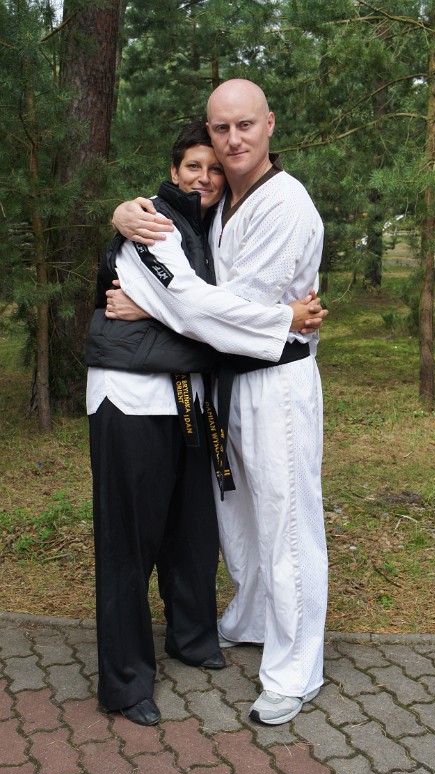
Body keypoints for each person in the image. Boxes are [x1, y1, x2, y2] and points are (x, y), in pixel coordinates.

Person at [88, 119, 327, 728]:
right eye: (194, 165)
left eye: (215, 168)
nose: (206, 177)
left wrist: (156, 312)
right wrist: (281, 319)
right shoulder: (153, 224)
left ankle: (192, 637)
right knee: (128, 545)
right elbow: (199, 314)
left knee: (192, 532)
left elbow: (202, 313)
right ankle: (125, 682)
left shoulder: (215, 224)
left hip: (189, 402)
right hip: (130, 401)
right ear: (173, 172)